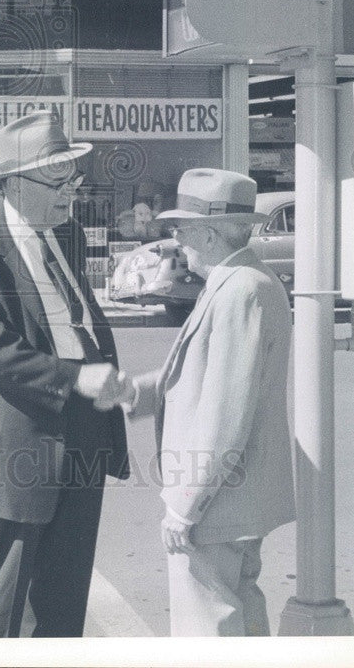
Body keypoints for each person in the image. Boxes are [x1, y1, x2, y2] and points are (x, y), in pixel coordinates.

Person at [0, 111, 130, 637]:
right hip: (14, 444)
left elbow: (78, 319)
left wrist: (104, 376)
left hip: (84, 431)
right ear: (15, 183)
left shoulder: (66, 236)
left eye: (75, 178)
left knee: (64, 596)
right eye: (58, 180)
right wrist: (73, 378)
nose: (72, 192)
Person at [121, 168, 295, 636]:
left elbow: (226, 411)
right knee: (240, 611)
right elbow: (206, 373)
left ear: (211, 233)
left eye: (182, 229)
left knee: (206, 628)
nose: (176, 239)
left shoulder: (239, 290)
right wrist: (138, 393)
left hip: (216, 499)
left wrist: (186, 505)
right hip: (235, 496)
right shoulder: (238, 279)